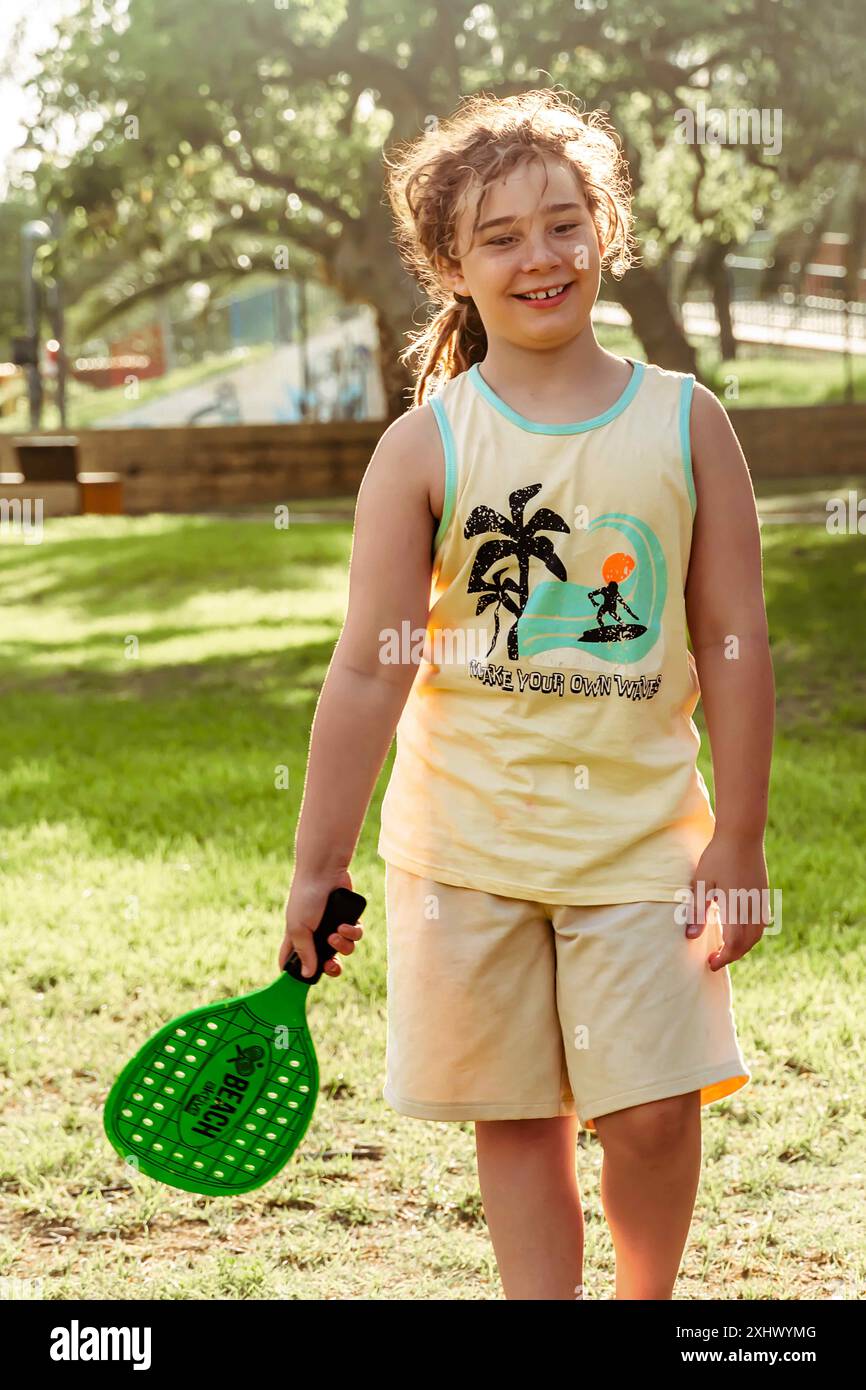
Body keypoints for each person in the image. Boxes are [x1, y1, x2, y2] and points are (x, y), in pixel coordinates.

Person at [279, 88, 774, 1301]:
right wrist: (314, 864)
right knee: (517, 1120)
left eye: (563, 223)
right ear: (449, 262)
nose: (538, 256)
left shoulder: (685, 420)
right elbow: (365, 668)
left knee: (652, 1113)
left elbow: (735, 644)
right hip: (466, 853)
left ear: (605, 232)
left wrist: (742, 839)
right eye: (499, 236)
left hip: (641, 845)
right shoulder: (424, 447)